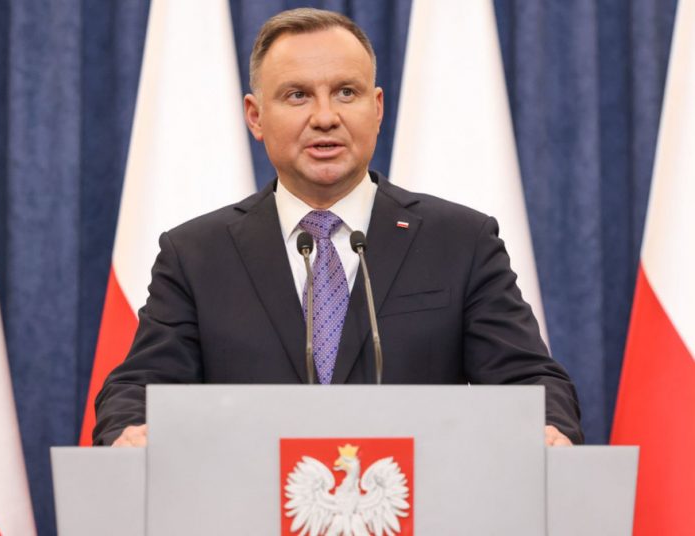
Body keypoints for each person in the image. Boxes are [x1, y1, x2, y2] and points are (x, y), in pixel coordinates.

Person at [93, 8, 582, 448]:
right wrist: (129, 431)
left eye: (346, 92)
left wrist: (548, 428)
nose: (325, 117)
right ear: (256, 116)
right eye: (298, 95)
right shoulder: (197, 255)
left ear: (377, 108)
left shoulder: (460, 241)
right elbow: (138, 390)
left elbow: (530, 382)